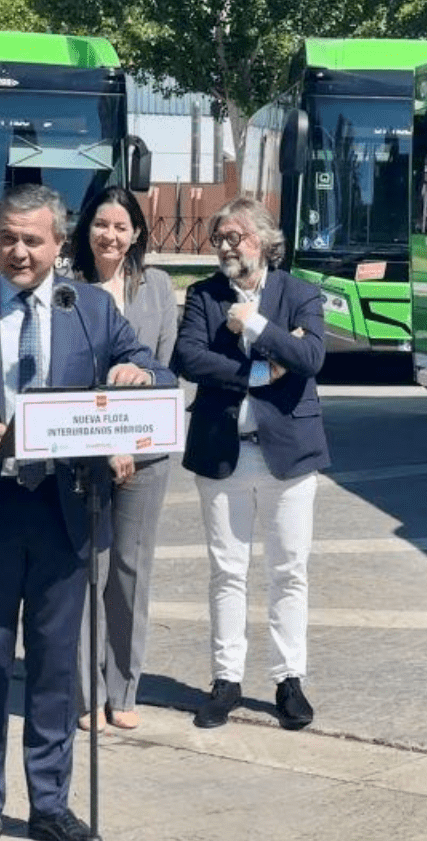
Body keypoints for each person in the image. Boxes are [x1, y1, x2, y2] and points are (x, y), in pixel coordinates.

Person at [0, 184, 172, 841]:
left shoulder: (91, 309)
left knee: (53, 670)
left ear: (57, 243)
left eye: (34, 240)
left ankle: (49, 805)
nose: (19, 252)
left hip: (63, 513)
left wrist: (137, 375)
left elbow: (151, 372)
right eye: (10, 238)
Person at [171, 195, 330, 731]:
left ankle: (289, 680)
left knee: (289, 571)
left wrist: (257, 327)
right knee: (227, 571)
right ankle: (226, 680)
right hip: (224, 452)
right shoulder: (203, 297)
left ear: (262, 240)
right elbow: (188, 357)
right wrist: (260, 373)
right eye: (218, 238)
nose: (224, 246)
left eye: (234, 236)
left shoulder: (300, 294)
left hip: (288, 454)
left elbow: (310, 359)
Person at [70, 186, 176, 733]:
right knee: (90, 568)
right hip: (84, 455)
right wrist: (103, 446)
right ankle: (86, 690)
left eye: (121, 226)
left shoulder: (156, 287)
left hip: (148, 457)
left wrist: (132, 443)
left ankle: (124, 687)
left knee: (132, 572)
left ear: (136, 233)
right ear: (86, 229)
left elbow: (167, 371)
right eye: (101, 224)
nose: (110, 236)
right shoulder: (66, 290)